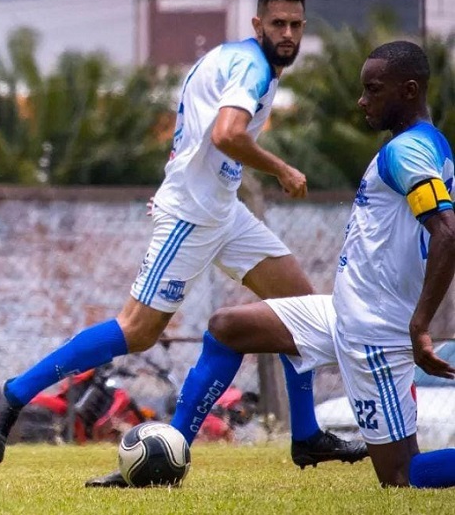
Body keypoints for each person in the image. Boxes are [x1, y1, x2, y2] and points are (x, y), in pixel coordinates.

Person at [0, 0, 367, 487]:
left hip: (221, 210)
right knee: (138, 330)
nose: (288, 33)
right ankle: (11, 394)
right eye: (278, 24)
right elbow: (225, 133)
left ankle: (306, 435)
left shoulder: (240, 60)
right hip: (193, 214)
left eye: (296, 25)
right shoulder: (251, 68)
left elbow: (197, 130)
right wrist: (281, 170)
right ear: (259, 25)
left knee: (299, 307)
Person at [155, 40, 455, 488]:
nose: (362, 100)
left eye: (373, 90)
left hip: (374, 332)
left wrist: (419, 326)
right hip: (343, 312)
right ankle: (168, 456)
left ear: (409, 90)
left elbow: (447, 232)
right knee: (227, 328)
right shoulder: (422, 145)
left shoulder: (407, 152)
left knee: (400, 476)